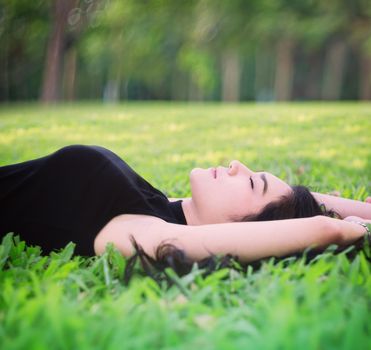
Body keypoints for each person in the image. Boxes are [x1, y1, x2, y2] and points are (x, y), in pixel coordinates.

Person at [1, 144, 370, 280]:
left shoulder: (142, 228)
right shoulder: (165, 207)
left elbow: (324, 230)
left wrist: (344, 230)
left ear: (242, 229)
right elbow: (295, 202)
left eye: (252, 182)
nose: (236, 164)